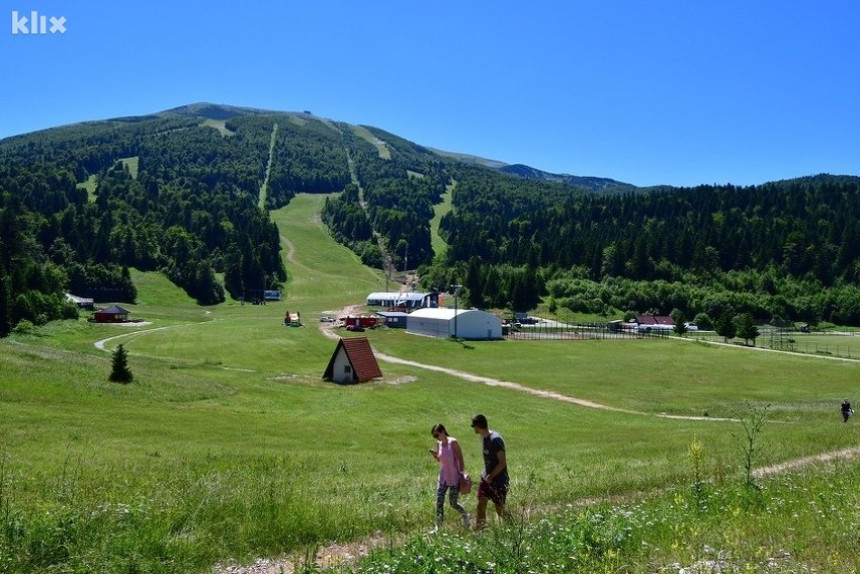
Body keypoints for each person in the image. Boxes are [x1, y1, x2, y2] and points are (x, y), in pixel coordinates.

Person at [428, 423, 471, 531]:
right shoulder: (439, 443)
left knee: (453, 503)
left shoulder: (453, 443)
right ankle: (438, 526)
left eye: (437, 435)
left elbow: (461, 459)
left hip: (454, 478)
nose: (436, 438)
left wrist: (461, 475)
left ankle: (465, 515)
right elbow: (440, 460)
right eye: (434, 436)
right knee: (439, 501)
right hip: (443, 478)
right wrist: (435, 456)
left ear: (443, 432)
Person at [471, 413, 509, 529]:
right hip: (487, 478)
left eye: (474, 426)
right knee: (480, 504)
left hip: (499, 481)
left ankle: (515, 528)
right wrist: (486, 476)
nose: (473, 428)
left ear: (479, 426)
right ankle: (479, 533)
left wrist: (491, 476)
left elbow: (502, 463)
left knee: (500, 511)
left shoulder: (495, 440)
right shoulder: (484, 437)